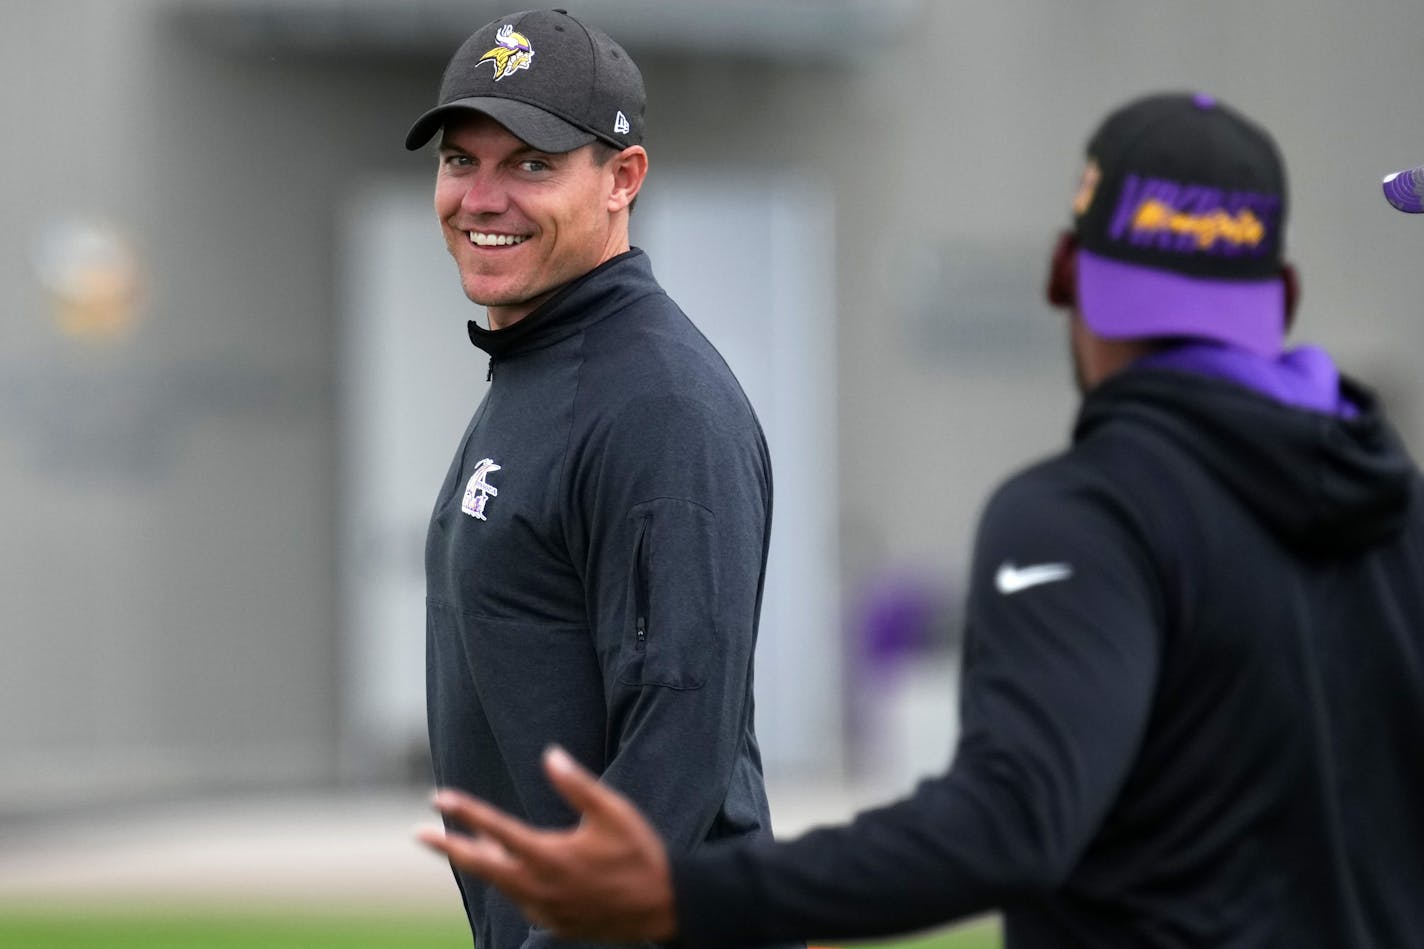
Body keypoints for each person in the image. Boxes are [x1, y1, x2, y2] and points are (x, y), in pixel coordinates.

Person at [417, 92, 1424, 948]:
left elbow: (1010, 821)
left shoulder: (1080, 519)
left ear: (1068, 279)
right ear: (1280, 294)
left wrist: (701, 893)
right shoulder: (1397, 510)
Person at [404, 10, 793, 948]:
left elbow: (676, 751)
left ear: (623, 179)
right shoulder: (541, 370)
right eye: (462, 161)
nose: (482, 197)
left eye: (531, 164)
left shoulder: (656, 402)